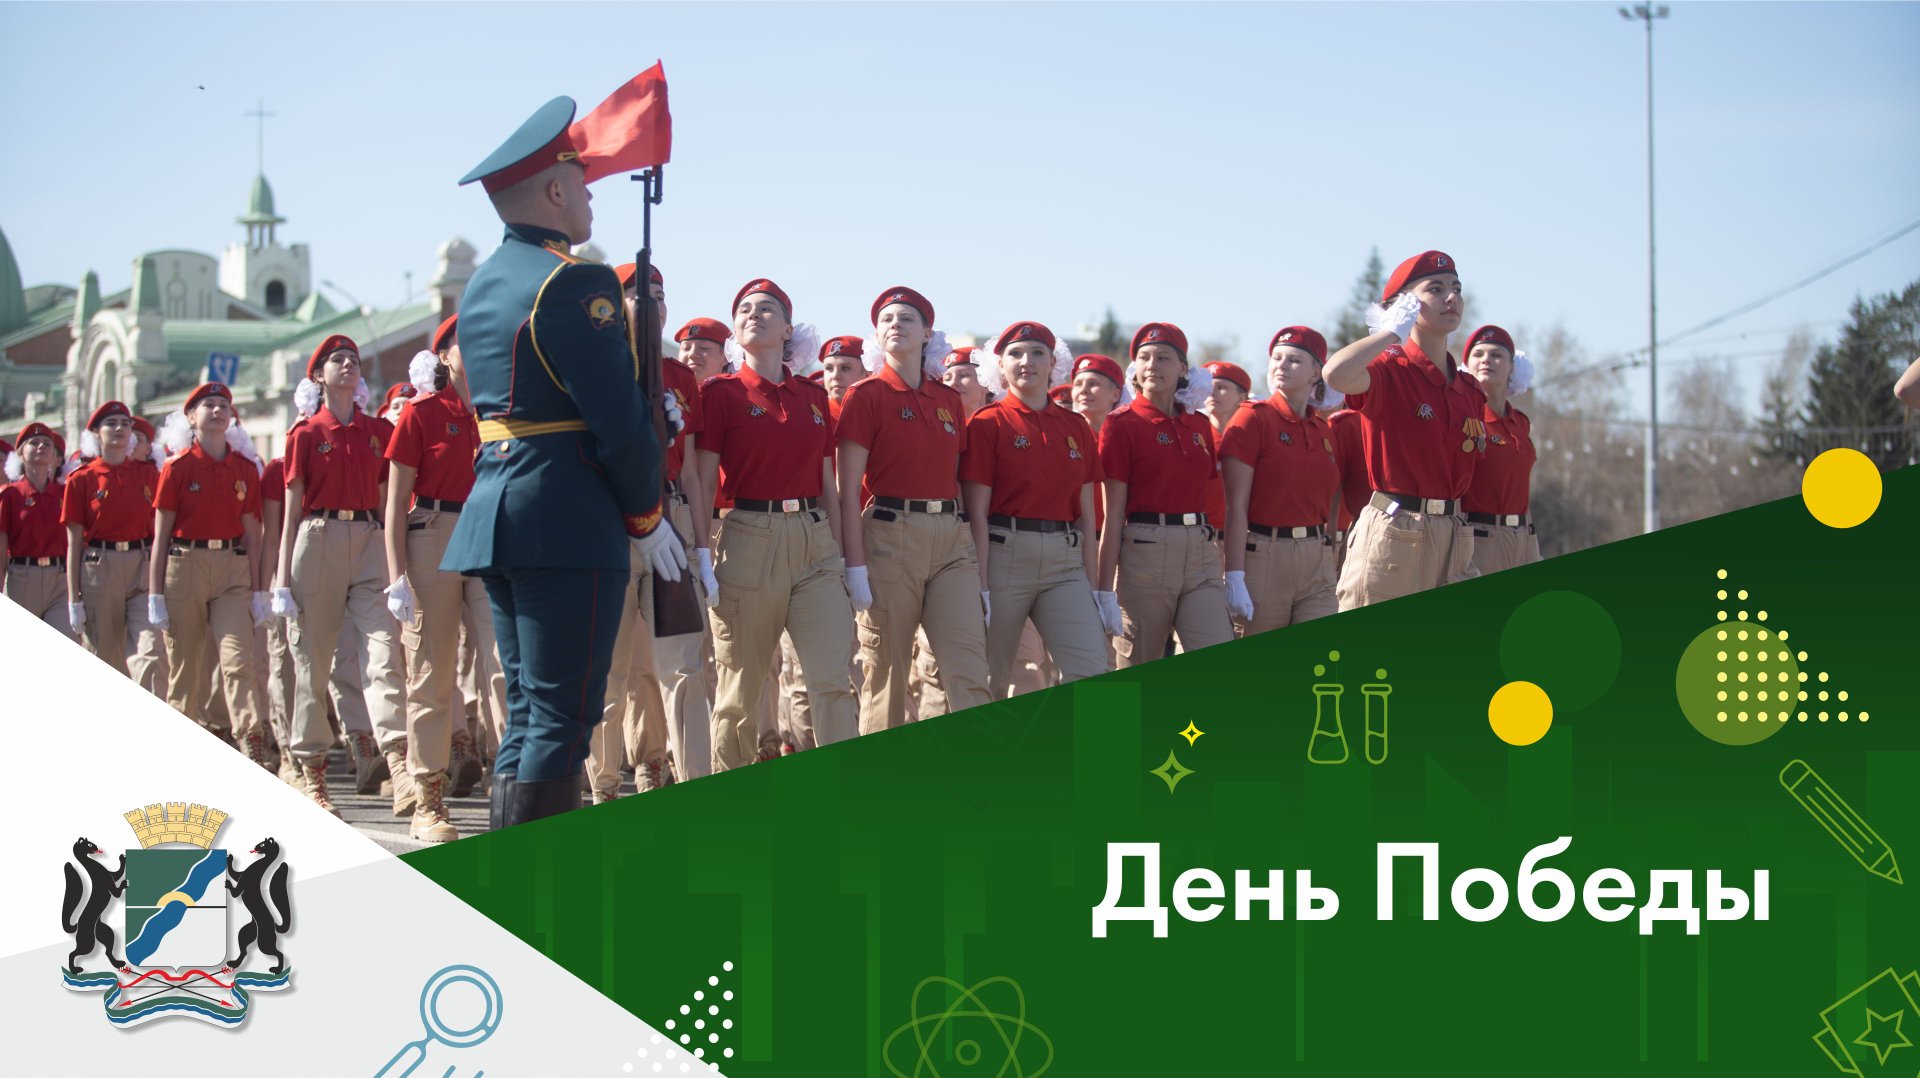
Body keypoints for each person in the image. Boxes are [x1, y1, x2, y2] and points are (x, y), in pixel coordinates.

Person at [444, 96, 684, 827]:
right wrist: (647, 514)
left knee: (529, 712)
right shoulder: (575, 281)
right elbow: (615, 420)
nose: (589, 198)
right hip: (566, 518)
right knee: (563, 718)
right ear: (553, 190)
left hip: (502, 511)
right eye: (581, 184)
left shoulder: (484, 284)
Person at [695, 277, 855, 768]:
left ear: (788, 329)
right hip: (748, 537)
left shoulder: (811, 395)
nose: (753, 314)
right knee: (740, 691)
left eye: (767, 308)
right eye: (744, 309)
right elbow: (702, 479)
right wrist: (700, 553)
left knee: (832, 682)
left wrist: (842, 556)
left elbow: (827, 482)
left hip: (814, 541)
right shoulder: (720, 393)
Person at [836, 286, 992, 732]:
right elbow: (847, 489)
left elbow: (956, 481)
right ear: (876, 336)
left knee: (968, 669)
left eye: (906, 318)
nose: (895, 325)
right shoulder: (865, 395)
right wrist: (855, 566)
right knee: (886, 675)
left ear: (927, 334)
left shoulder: (948, 400)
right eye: (886, 320)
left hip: (950, 539)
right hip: (890, 535)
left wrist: (978, 575)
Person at [273, 336, 411, 816]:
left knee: (384, 656)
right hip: (318, 540)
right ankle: (313, 774)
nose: (349, 365)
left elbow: (386, 504)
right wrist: (281, 581)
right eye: (338, 360)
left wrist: (397, 571)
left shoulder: (377, 431)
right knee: (312, 664)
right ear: (319, 376)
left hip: (369, 540)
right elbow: (291, 513)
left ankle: (398, 765)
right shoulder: (305, 433)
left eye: (354, 360)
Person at [1322, 250, 1486, 609]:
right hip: (1396, 531)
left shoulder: (1469, 390)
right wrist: (1389, 333)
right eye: (1436, 289)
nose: (1452, 297)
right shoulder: (1388, 368)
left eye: (1457, 288)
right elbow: (1335, 374)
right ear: (1406, 305)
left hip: (1452, 533)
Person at [961, 320, 1109, 695]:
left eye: (1037, 353)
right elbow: (976, 514)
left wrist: (1094, 589)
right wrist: (981, 586)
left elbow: (1087, 516)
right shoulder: (987, 423)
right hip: (1003, 559)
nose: (1027, 361)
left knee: (1094, 669)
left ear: (1053, 363)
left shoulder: (1076, 426)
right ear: (1000, 365)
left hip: (1065, 565)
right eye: (1015, 354)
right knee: (991, 679)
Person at [383, 348, 494, 841]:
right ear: (445, 356)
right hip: (433, 533)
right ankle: (428, 798)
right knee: (431, 670)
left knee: (504, 666)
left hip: (490, 534)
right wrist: (396, 578)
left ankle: (512, 783)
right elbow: (395, 502)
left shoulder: (501, 409)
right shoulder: (421, 412)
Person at [1095, 323, 1232, 665]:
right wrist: (1103, 590)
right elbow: (1113, 515)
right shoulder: (1121, 423)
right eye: (1144, 357)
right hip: (1146, 552)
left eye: (1163, 357)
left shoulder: (1199, 425)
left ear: (1183, 368)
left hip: (1200, 551)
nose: (1152, 365)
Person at [146, 384, 269, 750]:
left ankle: (250, 739)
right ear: (191, 418)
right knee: (186, 669)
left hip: (232, 571)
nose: (217, 411)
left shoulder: (244, 468)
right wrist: (155, 594)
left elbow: (253, 535)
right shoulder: (177, 467)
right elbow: (161, 536)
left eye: (223, 406)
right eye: (209, 405)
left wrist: (259, 591)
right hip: (185, 568)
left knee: (238, 661)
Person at [1220, 327, 1342, 634]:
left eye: (1294, 360)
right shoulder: (1252, 418)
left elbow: (1331, 498)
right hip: (1265, 555)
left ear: (1316, 373)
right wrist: (1234, 575)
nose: (1282, 365)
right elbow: (1235, 505)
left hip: (1316, 557)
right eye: (1276, 358)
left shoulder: (1322, 430)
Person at [61, 401, 160, 680]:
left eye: (125, 424)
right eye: (111, 423)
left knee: (151, 653)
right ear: (96, 433)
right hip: (99, 569)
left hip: (141, 567)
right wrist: (73, 599)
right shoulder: (81, 479)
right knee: (105, 658)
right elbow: (74, 544)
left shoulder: (148, 474)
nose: (119, 428)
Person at [1457, 325, 1540, 575]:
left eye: (1496, 355)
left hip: (1524, 537)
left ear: (1512, 366)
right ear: (1467, 365)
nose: (1486, 360)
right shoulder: (1463, 418)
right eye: (1478, 354)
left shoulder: (1521, 422)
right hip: (1480, 539)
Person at [2, 421, 75, 637]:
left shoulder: (65, 494)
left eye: (47, 443)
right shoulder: (10, 495)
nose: (41, 446)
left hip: (59, 579)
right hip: (22, 578)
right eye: (34, 443)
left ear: (54, 455)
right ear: (20, 453)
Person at [1201, 361, 1251, 533]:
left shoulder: (1250, 440)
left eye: (1221, 387)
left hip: (1241, 535)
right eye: (1208, 387)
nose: (1212, 393)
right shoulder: (1195, 436)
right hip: (1202, 535)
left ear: (1241, 397)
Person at [941, 347, 991, 420]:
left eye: (963, 375)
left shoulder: (1003, 421)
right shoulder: (937, 424)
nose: (953, 382)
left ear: (986, 384)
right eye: (947, 379)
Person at [820, 336, 865, 409]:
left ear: (868, 373)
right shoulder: (816, 413)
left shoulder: (880, 410)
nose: (835, 376)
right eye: (829, 368)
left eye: (845, 368)